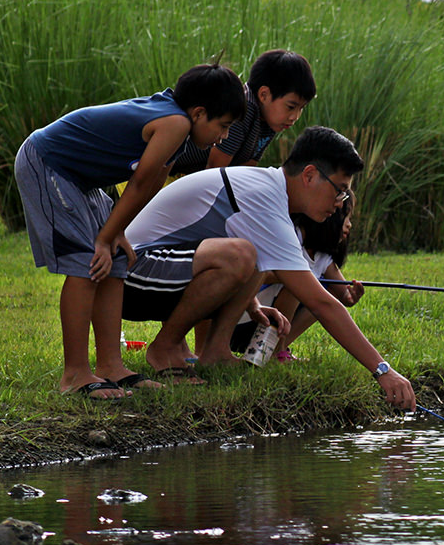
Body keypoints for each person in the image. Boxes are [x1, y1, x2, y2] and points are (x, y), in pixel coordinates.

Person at [120, 127, 416, 411]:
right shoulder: (264, 198)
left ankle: (216, 353)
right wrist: (382, 370)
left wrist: (251, 303)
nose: (340, 204)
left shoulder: (268, 192)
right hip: (129, 278)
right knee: (241, 255)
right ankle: (165, 349)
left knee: (252, 255)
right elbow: (321, 302)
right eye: (339, 191)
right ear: (310, 175)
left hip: (158, 272)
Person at [14, 63, 246, 399]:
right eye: (223, 126)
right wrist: (104, 238)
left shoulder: (180, 129)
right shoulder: (175, 123)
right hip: (49, 163)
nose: (223, 137)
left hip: (81, 178)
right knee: (87, 263)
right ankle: (74, 373)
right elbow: (137, 183)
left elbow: (151, 183)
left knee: (117, 258)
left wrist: (117, 232)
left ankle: (111, 366)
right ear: (199, 113)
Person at [226, 200, 363, 360]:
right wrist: (297, 276)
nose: (349, 225)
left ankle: (273, 352)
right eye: (346, 218)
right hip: (243, 319)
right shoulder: (292, 239)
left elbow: (343, 294)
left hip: (264, 327)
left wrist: (350, 296)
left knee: (322, 296)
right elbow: (262, 273)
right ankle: (276, 352)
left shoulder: (323, 259)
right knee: (299, 288)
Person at [171, 49, 315, 174]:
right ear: (264, 95)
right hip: (173, 169)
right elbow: (214, 170)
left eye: (301, 108)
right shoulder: (242, 112)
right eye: (290, 107)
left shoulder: (270, 121)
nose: (295, 117)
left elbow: (245, 173)